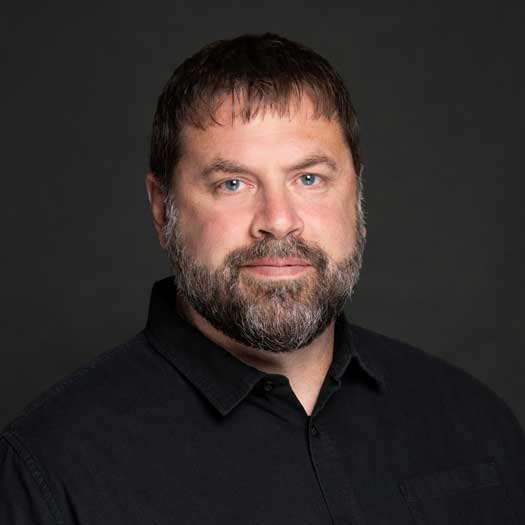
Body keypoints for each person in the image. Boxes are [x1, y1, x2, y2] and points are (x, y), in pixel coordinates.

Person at [1, 32, 524, 524]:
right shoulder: (48, 470)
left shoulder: (473, 420)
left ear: (357, 197)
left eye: (309, 178)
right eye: (232, 183)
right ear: (163, 209)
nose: (277, 218)